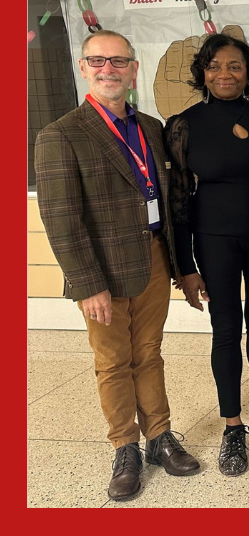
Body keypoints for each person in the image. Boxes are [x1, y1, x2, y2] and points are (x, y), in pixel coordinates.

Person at [35, 30, 200, 500]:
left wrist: (180, 264)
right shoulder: (60, 134)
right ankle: (124, 445)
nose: (109, 69)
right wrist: (88, 285)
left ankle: (160, 437)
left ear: (133, 69)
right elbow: (61, 220)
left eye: (119, 61)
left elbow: (169, 199)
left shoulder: (151, 127)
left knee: (149, 352)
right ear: (83, 68)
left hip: (152, 257)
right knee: (113, 362)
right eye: (98, 61)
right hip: (101, 269)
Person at [165, 34, 249, 477]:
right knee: (227, 328)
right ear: (202, 72)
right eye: (214, 66)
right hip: (213, 238)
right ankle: (232, 425)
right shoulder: (183, 124)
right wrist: (185, 266)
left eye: (235, 66)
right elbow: (179, 199)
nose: (224, 74)